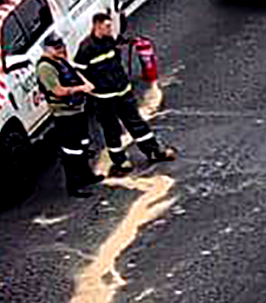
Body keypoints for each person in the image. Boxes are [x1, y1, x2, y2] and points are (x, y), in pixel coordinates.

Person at [78, 11, 174, 175]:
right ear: (97, 26)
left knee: (136, 122)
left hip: (122, 91)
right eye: (107, 26)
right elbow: (78, 71)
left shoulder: (109, 41)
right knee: (112, 129)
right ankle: (120, 160)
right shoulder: (86, 48)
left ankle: (153, 151)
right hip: (104, 98)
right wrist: (89, 87)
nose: (110, 29)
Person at [34, 35, 99, 197]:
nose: (61, 49)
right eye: (56, 47)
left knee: (83, 144)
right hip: (64, 113)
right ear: (46, 49)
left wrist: (85, 84)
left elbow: (74, 73)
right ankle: (75, 185)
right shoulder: (45, 68)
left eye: (61, 45)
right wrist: (81, 88)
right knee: (72, 151)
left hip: (77, 109)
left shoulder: (60, 60)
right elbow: (58, 91)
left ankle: (87, 175)